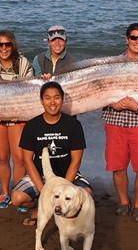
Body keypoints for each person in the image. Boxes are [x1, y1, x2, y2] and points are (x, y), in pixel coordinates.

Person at [11, 81, 92, 226]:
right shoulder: (32, 126)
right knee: (17, 198)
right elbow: (28, 161)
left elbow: (76, 160)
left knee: (87, 195)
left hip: (67, 175)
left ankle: (62, 211)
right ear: (41, 101)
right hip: (41, 176)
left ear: (62, 100)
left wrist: (65, 187)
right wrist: (45, 193)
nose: (52, 102)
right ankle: (40, 208)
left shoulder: (73, 125)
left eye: (56, 97)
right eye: (47, 98)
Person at [103, 23, 138, 223]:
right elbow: (99, 89)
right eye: (133, 38)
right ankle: (124, 201)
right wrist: (113, 104)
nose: (137, 42)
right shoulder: (112, 64)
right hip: (114, 120)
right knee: (118, 167)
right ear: (127, 40)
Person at [0, 30, 35, 209]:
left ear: (13, 45)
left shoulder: (23, 63)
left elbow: (28, 91)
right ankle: (4, 192)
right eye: (0, 45)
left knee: (19, 158)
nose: (4, 48)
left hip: (17, 115)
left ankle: (19, 192)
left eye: (8, 44)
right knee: (2, 157)